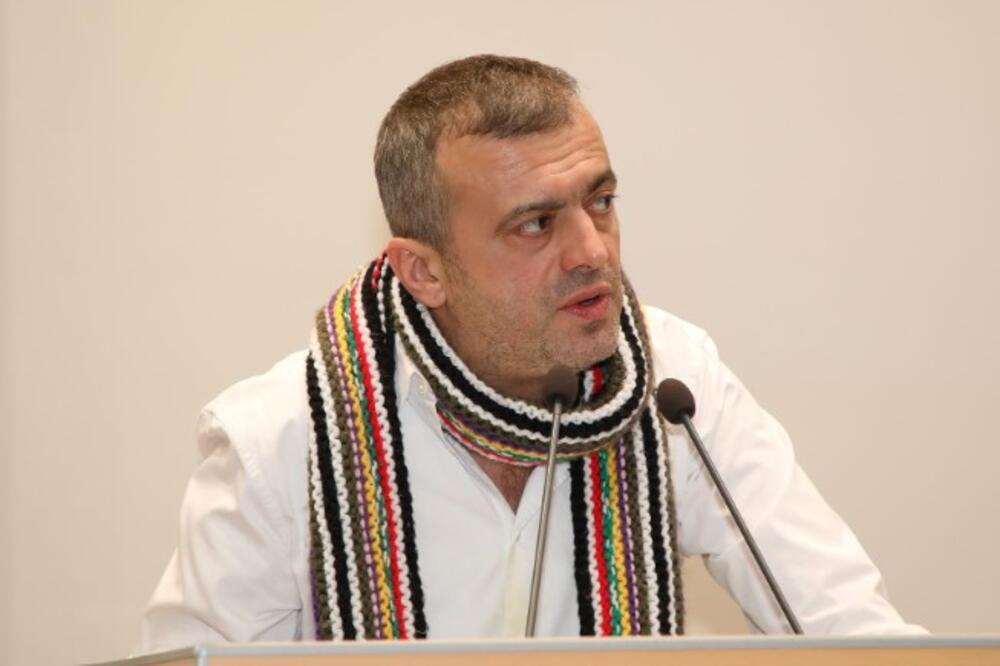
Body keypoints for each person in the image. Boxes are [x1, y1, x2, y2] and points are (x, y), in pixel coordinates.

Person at [137, 55, 924, 652]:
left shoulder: (673, 386)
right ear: (424, 271)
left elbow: (857, 640)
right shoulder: (281, 441)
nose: (593, 252)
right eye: (535, 225)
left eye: (601, 201)